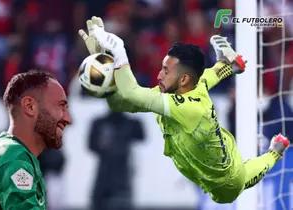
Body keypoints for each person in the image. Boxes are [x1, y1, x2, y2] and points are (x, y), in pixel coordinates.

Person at [78, 17, 290, 203]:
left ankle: (275, 152)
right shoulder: (183, 89)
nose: (159, 75)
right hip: (211, 148)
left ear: (183, 78)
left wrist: (118, 50)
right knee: (204, 81)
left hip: (225, 183)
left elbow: (131, 94)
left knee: (242, 179)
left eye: (165, 70)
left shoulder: (189, 108)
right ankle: (230, 64)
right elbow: (120, 103)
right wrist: (106, 65)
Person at [0, 71, 72, 209]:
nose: (68, 119)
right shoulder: (13, 159)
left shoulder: (10, 154)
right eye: (60, 106)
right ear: (30, 106)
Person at [88, 110, 145, 210]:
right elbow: (91, 145)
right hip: (104, 175)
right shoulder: (101, 123)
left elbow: (141, 135)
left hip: (122, 176)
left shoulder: (129, 124)